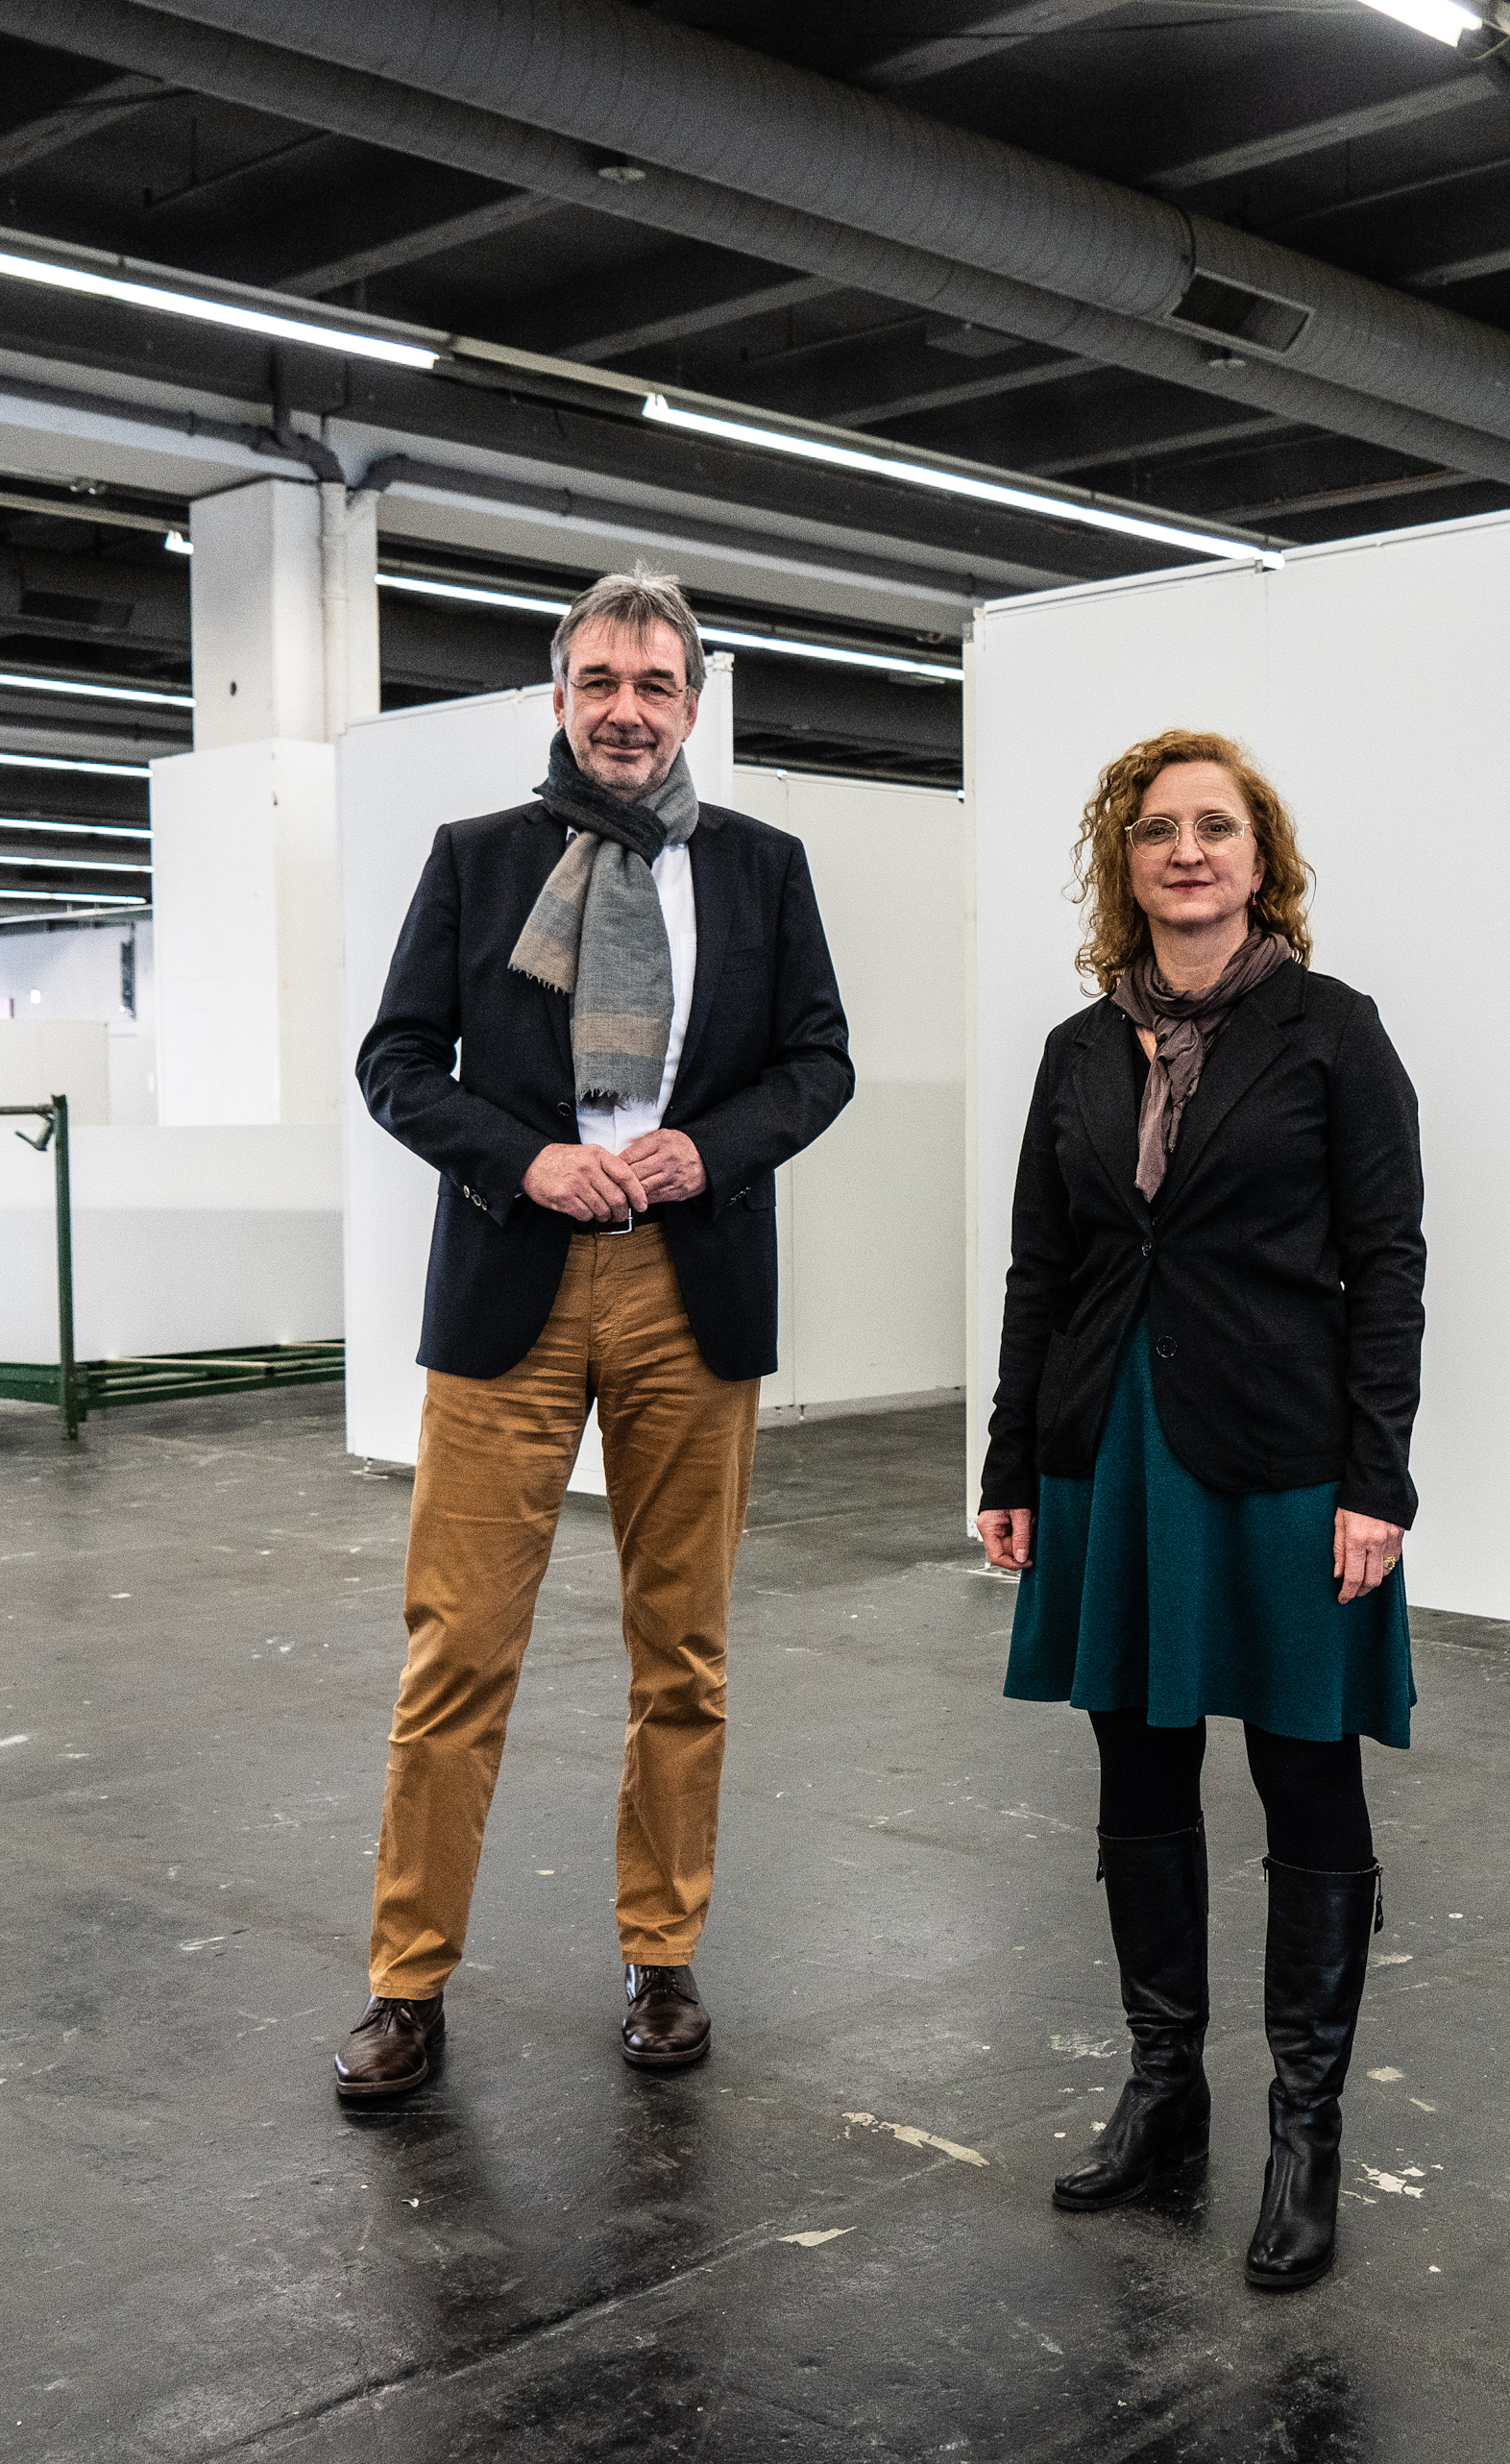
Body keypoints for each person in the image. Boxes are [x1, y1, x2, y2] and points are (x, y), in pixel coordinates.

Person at [336, 567, 853, 2105]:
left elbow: (818, 1064)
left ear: (693, 705)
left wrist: (710, 1149)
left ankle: (661, 1956)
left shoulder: (762, 867)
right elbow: (394, 1061)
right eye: (601, 682)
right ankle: (406, 1983)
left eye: (657, 685)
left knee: (680, 1651)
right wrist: (525, 1156)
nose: (628, 711)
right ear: (559, 697)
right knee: (458, 1651)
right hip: (517, 1280)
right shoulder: (478, 861)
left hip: (690, 1287)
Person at [977, 729, 1426, 2292]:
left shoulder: (1331, 1034)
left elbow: (1390, 1268)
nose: (1188, 851)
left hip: (1286, 1453)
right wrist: (1010, 1460)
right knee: (1138, 1767)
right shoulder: (1077, 1048)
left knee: (1307, 1778)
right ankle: (1166, 2087)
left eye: (1216, 828)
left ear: (1261, 857)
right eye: (1159, 830)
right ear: (1127, 862)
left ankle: (1307, 2125)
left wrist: (1380, 1480)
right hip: (1113, 1444)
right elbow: (1046, 1266)